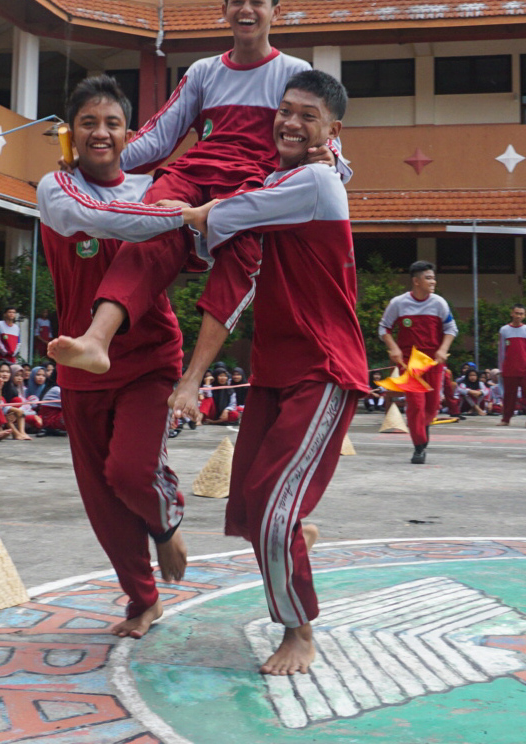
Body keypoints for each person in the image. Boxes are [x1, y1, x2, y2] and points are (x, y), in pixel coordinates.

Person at [53, 0, 345, 378]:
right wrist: (93, 160)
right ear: (223, 9)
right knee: (149, 224)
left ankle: (192, 378)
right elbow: (157, 138)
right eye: (238, 1)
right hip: (194, 173)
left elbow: (322, 133)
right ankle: (96, 339)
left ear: (275, 12)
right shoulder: (204, 71)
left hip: (251, 183)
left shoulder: (294, 73)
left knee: (240, 259)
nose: (246, 9)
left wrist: (335, 161)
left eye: (256, 2)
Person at [170, 68, 367, 676]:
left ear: (331, 130)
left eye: (307, 115)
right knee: (256, 508)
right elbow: (235, 278)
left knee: (275, 514)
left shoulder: (312, 183)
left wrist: (168, 210)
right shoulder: (290, 175)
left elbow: (220, 219)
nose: (289, 122)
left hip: (323, 367)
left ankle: (299, 631)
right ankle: (295, 538)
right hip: (275, 372)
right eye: (285, 110)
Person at [38, 74, 193, 638]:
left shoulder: (149, 189)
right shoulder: (55, 189)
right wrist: (179, 214)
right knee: (102, 501)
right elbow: (104, 220)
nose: (100, 133)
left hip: (149, 356)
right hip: (80, 364)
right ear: (70, 133)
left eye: (112, 124)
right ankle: (142, 600)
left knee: (129, 473)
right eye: (88, 123)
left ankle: (165, 516)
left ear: (130, 134)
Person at [378, 261, 457, 463]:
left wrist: (442, 349)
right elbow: (384, 328)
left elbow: (451, 329)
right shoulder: (399, 303)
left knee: (432, 407)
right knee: (415, 405)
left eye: (433, 277)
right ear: (416, 281)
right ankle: (419, 447)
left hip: (433, 361)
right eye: (428, 278)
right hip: (409, 363)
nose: (433, 281)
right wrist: (393, 347)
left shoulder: (439, 303)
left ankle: (422, 438)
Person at [496, 304, 526, 426]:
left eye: (521, 314)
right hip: (509, 368)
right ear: (512, 313)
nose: (518, 316)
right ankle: (506, 419)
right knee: (509, 395)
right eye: (516, 313)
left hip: (525, 368)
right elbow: (501, 351)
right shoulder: (504, 330)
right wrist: (501, 368)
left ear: (524, 315)